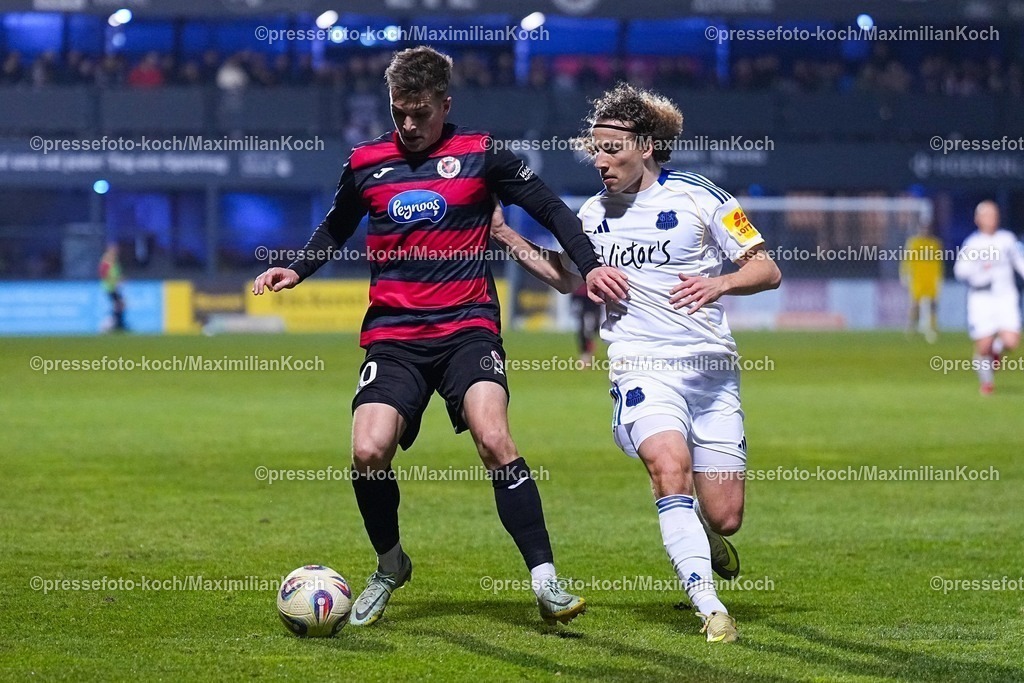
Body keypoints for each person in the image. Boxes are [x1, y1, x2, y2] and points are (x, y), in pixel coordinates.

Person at [252, 46, 628, 628]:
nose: (408, 125)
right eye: (399, 112)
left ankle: (546, 581)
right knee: (367, 450)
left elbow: (554, 210)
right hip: (394, 335)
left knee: (494, 437)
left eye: (420, 113)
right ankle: (390, 565)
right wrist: (297, 269)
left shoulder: (482, 154)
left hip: (467, 328)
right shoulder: (366, 162)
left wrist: (592, 264)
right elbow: (335, 227)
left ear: (445, 105)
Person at [489, 83, 781, 643]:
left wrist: (719, 283)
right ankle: (710, 606)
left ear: (645, 145)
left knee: (726, 516)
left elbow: (766, 269)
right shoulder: (592, 213)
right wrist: (504, 234)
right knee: (668, 468)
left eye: (610, 148)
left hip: (711, 373)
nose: (600, 161)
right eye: (594, 150)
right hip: (640, 367)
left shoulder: (701, 197)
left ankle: (701, 531)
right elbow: (569, 277)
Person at [953, 200, 1024, 394]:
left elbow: (1020, 261)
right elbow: (960, 271)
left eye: (994, 214)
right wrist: (978, 267)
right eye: (987, 215)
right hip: (981, 298)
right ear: (978, 219)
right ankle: (987, 383)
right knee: (983, 346)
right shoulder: (972, 244)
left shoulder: (1007, 239)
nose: (991, 219)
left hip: (1005, 296)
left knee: (1011, 341)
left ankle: (996, 350)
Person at [900, 223, 943, 343]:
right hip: (917, 278)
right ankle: (911, 326)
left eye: (927, 229)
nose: (925, 232)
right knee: (915, 304)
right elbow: (906, 260)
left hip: (931, 278)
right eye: (923, 229)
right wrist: (904, 274)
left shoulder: (935, 244)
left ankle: (933, 326)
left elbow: (939, 262)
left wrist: (939, 277)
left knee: (933, 303)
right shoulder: (914, 243)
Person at [572, 282, 602, 366]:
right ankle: (585, 353)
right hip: (582, 295)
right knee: (584, 327)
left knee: (595, 325)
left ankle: (589, 346)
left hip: (595, 294)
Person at [99, 243, 127, 332]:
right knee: (118, 304)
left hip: (114, 287)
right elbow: (103, 273)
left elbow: (116, 272)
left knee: (120, 304)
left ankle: (117, 323)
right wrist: (113, 280)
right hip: (110, 287)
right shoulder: (107, 260)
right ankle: (114, 324)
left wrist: (120, 278)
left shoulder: (114, 260)